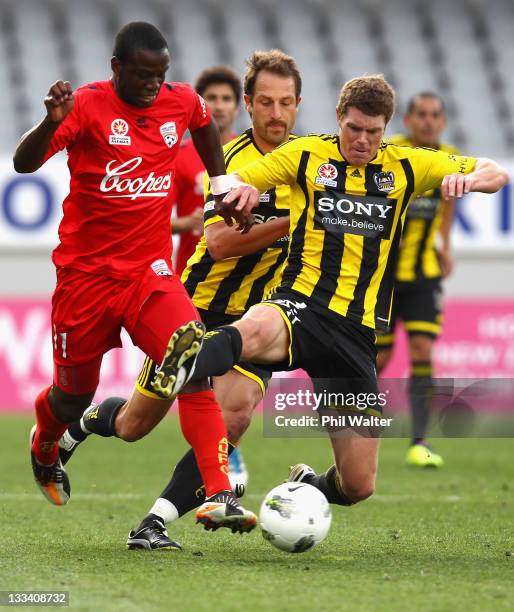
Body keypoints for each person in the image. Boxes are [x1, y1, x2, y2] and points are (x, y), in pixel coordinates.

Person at [160, 74, 508, 512]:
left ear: (386, 129)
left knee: (358, 485)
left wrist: (474, 180)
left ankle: (307, 485)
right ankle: (183, 360)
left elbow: (495, 171)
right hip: (301, 304)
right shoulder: (307, 154)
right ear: (339, 118)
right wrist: (243, 188)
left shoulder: (406, 165)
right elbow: (239, 178)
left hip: (355, 333)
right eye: (354, 128)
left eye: (373, 132)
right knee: (254, 329)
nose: (362, 140)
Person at [13, 21, 256, 534]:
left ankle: (217, 494)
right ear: (116, 68)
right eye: (144, 75)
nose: (154, 85)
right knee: (73, 396)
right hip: (85, 280)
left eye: (161, 74)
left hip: (150, 274)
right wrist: (46, 122)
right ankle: (45, 441)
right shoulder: (84, 106)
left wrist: (221, 182)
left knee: (191, 358)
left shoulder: (178, 100)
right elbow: (24, 162)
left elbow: (200, 118)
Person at [59, 49, 301, 551]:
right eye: (265, 102)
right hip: (197, 307)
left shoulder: (310, 161)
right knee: (133, 426)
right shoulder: (230, 162)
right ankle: (88, 419)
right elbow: (217, 242)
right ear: (248, 106)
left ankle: (155, 521)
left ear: (298, 105)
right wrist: (289, 226)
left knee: (235, 412)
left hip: (259, 316)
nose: (276, 114)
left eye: (286, 103)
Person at [376, 92, 459, 467]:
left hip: (424, 274)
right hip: (384, 276)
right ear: (407, 120)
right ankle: (347, 419)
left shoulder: (450, 158)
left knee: (424, 351)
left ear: (442, 122)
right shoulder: (390, 152)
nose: (428, 121)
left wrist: (445, 244)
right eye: (421, 115)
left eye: (435, 115)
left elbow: (448, 202)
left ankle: (420, 441)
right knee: (379, 357)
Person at [172, 65, 241, 276]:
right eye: (211, 98)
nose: (219, 106)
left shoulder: (249, 153)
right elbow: (150, 219)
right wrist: (186, 223)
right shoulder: (178, 156)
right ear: (199, 105)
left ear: (238, 107)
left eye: (226, 99)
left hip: (240, 276)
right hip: (191, 275)